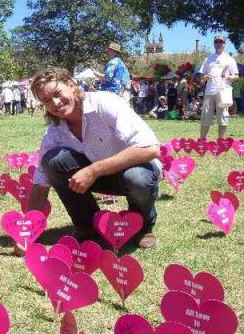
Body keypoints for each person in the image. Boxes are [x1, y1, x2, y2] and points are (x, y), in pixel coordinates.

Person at [26, 67, 162, 249]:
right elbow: (40, 186)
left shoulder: (105, 103)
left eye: (58, 93)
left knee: (137, 178)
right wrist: (27, 234)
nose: (56, 103)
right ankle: (88, 228)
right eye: (47, 100)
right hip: (99, 178)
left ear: (72, 84)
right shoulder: (54, 131)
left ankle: (142, 226)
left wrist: (93, 170)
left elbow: (149, 148)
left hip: (136, 170)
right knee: (53, 161)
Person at [199, 35, 239, 139]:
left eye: (221, 42)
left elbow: (236, 75)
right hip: (209, 91)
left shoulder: (229, 59)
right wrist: (205, 77)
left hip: (223, 91)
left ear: (224, 44)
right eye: (216, 42)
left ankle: (221, 140)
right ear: (214, 44)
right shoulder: (208, 58)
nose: (218, 44)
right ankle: (202, 139)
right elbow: (201, 77)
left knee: (223, 116)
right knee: (206, 115)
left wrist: (228, 76)